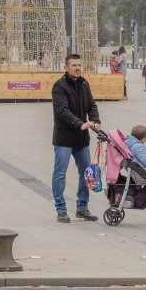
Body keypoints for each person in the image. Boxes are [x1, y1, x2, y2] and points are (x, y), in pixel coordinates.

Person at [51, 53, 102, 223]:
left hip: (82, 138)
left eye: (79, 65)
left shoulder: (84, 84)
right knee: (60, 174)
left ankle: (82, 207)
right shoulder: (59, 86)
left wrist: (95, 120)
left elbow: (91, 104)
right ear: (66, 68)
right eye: (74, 65)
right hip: (64, 138)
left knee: (86, 173)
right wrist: (79, 123)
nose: (78, 68)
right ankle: (61, 210)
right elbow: (62, 110)